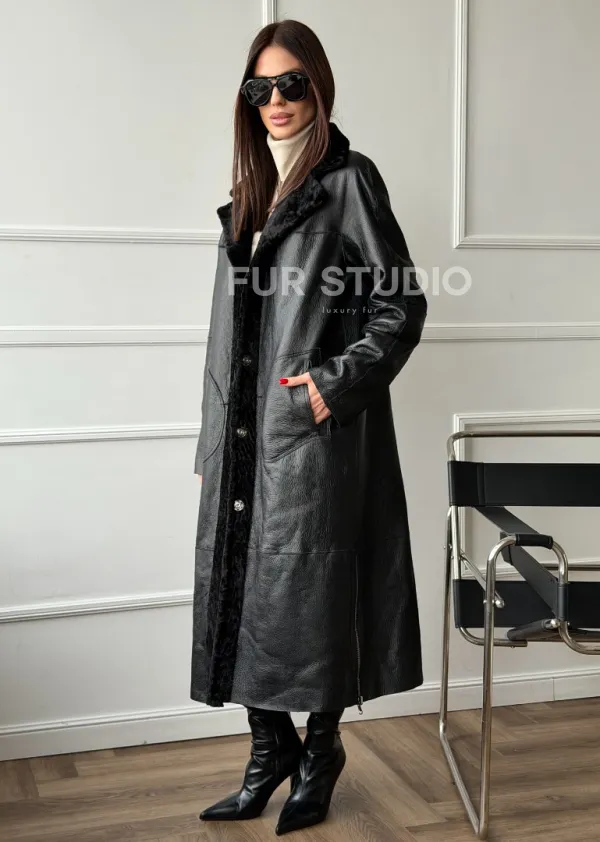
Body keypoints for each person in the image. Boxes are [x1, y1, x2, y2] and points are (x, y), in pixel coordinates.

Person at [191, 18, 427, 836]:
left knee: (316, 601)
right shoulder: (247, 197)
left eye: (291, 83)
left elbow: (401, 306)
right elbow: (226, 338)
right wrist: (211, 441)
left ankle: (319, 752)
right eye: (259, 88)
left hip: (311, 437)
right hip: (241, 441)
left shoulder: (349, 182)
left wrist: (328, 388)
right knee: (235, 593)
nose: (276, 100)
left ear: (318, 86)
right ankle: (269, 752)